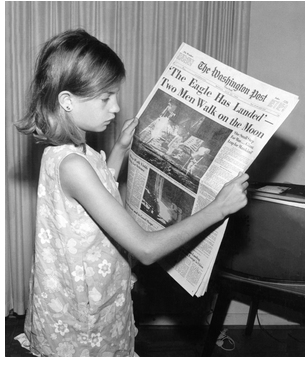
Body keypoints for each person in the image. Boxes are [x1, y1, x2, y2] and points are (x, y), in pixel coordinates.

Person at [14, 29, 249, 357]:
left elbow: (95, 199)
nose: (116, 107)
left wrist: (121, 151)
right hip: (84, 317)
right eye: (105, 97)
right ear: (67, 101)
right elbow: (146, 249)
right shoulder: (73, 164)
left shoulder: (71, 151)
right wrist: (217, 208)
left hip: (96, 293)